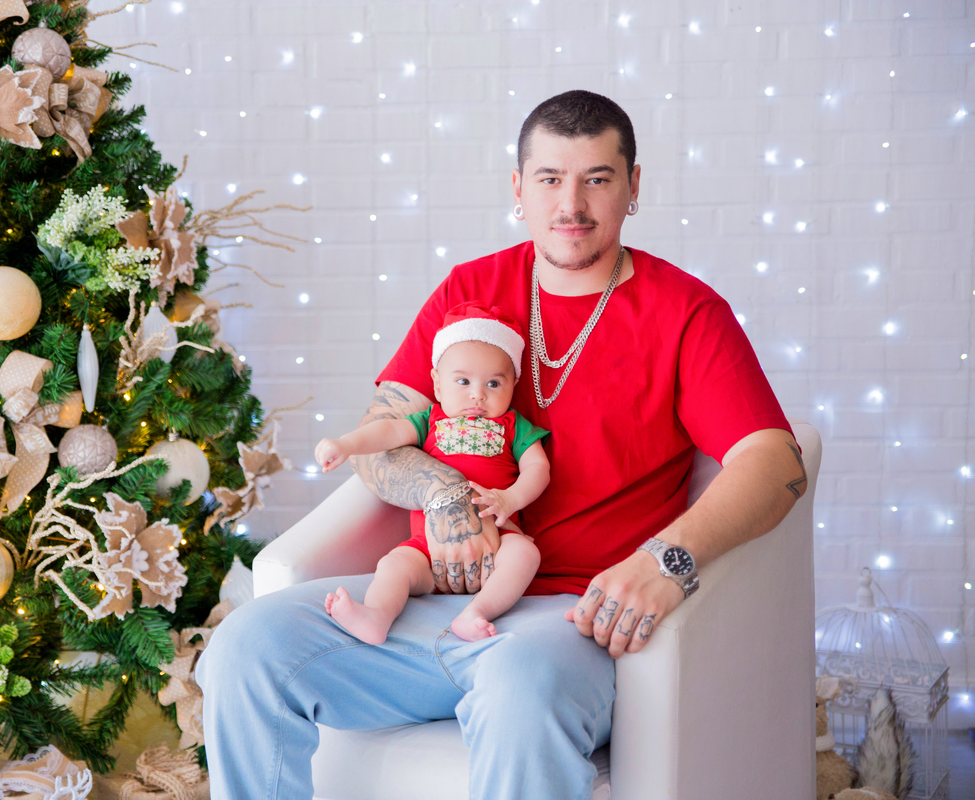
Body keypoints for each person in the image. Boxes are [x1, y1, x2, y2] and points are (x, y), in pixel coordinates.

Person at [197, 89, 807, 799]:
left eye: (597, 179)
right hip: (427, 599)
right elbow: (380, 438)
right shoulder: (471, 290)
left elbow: (777, 464)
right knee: (246, 648)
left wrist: (665, 561)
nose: (570, 205)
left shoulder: (685, 312)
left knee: (518, 685)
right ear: (517, 189)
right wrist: (444, 492)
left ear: (633, 188)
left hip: (575, 622)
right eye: (550, 179)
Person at [314, 303, 550, 643]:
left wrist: (510, 498)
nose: (477, 394)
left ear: (514, 383)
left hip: (496, 544)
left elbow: (537, 468)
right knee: (393, 565)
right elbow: (387, 432)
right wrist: (347, 444)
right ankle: (376, 617)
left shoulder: (513, 426)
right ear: (438, 385)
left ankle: (476, 613)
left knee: (526, 554)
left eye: (494, 383)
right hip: (426, 549)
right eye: (463, 381)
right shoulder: (430, 421)